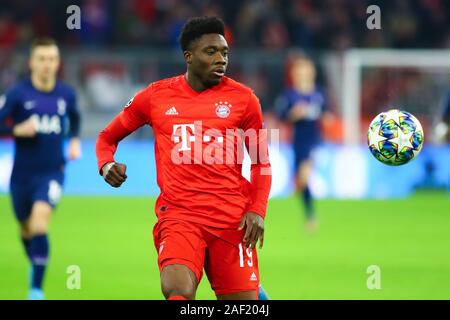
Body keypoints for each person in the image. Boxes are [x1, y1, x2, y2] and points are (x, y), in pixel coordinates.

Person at [96, 16, 271, 300]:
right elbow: (106, 137)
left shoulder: (245, 100)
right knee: (177, 290)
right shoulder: (156, 97)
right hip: (179, 217)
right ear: (189, 57)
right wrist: (106, 164)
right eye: (211, 52)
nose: (221, 59)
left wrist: (257, 210)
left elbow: (262, 162)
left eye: (224, 53)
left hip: (231, 222)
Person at [0, 37, 81, 300]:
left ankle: (36, 291)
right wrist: (15, 130)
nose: (47, 64)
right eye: (42, 59)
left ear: (58, 63)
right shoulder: (17, 94)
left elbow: (75, 116)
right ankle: (36, 262)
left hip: (52, 173)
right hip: (21, 176)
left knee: (39, 224)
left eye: (52, 59)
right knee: (26, 229)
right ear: (32, 63)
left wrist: (75, 141)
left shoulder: (66, 94)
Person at [275, 55, 328, 233]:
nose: (303, 73)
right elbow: (281, 116)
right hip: (298, 143)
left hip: (314, 141)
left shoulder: (319, 93)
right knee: (300, 182)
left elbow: (327, 114)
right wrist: (294, 114)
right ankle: (309, 215)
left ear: (312, 71)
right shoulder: (289, 94)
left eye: (306, 69)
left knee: (304, 177)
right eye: (299, 70)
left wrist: (325, 118)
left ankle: (311, 217)